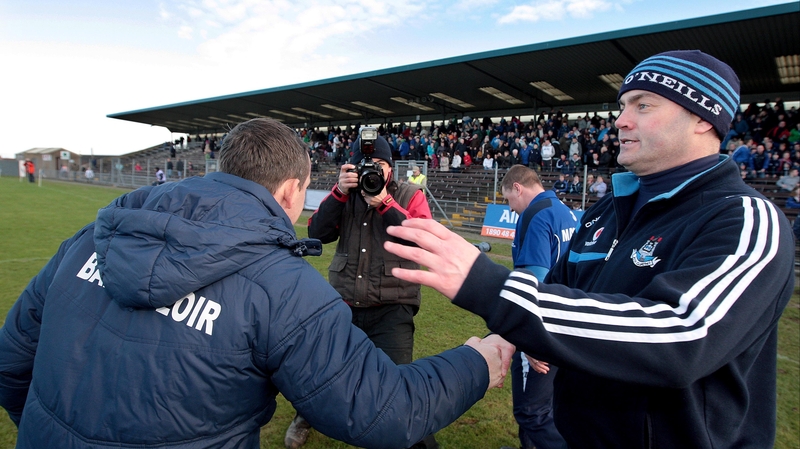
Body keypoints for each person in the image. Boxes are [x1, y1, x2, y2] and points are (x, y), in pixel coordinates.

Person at [0, 118, 513, 449]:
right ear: (293, 189)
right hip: (342, 302)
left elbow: (11, 361)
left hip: (390, 304)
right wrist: (475, 361)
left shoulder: (93, 236)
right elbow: (383, 408)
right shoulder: (284, 289)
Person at [383, 50, 794, 449]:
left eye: (643, 105)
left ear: (703, 118)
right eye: (622, 106)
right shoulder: (606, 213)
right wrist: (509, 337)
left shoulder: (745, 218)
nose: (621, 121)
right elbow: (558, 293)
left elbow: (683, 336)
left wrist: (486, 284)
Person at [288, 133, 440, 449]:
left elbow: (423, 238)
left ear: (391, 168)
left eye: (381, 164)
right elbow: (317, 233)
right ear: (353, 168)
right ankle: (306, 415)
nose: (373, 171)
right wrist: (340, 192)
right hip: (345, 300)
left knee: (399, 384)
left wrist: (385, 204)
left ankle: (418, 441)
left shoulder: (410, 194)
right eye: (366, 165)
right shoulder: (346, 195)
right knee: (321, 368)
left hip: (392, 304)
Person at [500, 166, 575, 449]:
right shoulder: (564, 210)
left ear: (518, 188)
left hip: (542, 326)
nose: (512, 207)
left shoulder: (534, 214)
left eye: (508, 199)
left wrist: (529, 339)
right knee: (549, 406)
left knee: (530, 411)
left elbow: (534, 282)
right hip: (566, 320)